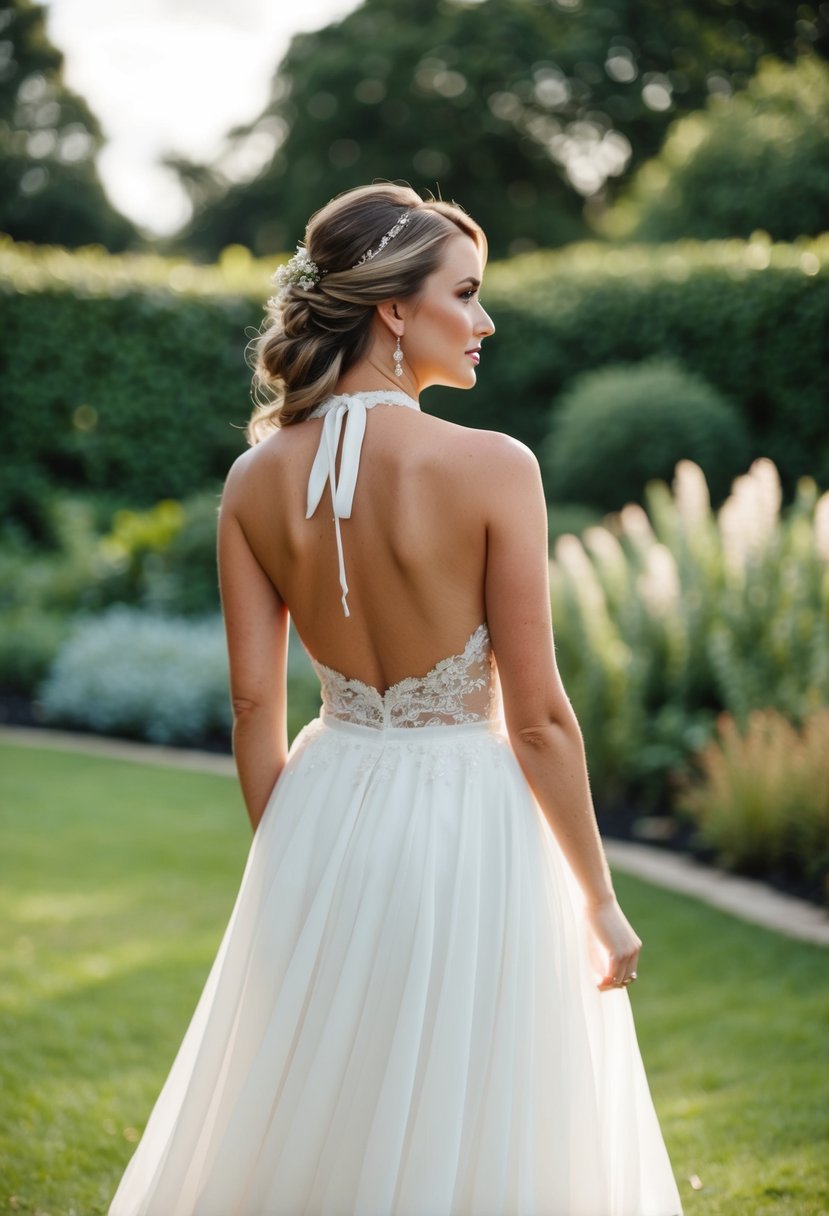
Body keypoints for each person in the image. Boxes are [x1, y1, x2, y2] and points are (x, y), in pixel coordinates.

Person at [108, 183, 684, 1215]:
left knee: (329, 1098)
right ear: (393, 310)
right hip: (475, 815)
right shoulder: (495, 467)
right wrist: (598, 898)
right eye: (465, 294)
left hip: (323, 804)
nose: (485, 321)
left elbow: (253, 709)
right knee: (484, 1103)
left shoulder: (250, 482)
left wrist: (290, 853)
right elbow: (539, 716)